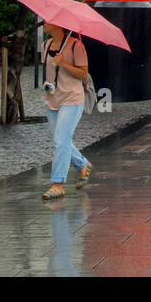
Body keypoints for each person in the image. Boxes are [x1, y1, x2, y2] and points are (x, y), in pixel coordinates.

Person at [42, 22, 93, 200]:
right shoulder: (46, 45)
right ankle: (82, 164)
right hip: (52, 98)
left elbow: (83, 74)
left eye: (47, 21)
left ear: (57, 25)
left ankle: (58, 184)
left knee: (60, 141)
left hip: (72, 99)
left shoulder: (75, 45)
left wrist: (63, 63)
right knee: (60, 141)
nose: (43, 23)